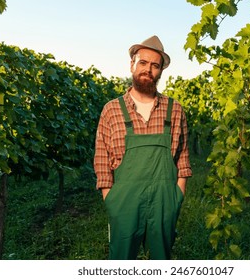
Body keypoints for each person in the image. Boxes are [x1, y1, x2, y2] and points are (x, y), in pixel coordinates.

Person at [94, 35, 192, 260]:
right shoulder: (111, 110)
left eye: (155, 65)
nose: (148, 69)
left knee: (161, 262)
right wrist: (111, 200)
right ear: (132, 65)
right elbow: (101, 159)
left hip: (164, 201)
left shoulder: (174, 109)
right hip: (124, 203)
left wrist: (177, 195)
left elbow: (183, 157)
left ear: (160, 71)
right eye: (143, 62)